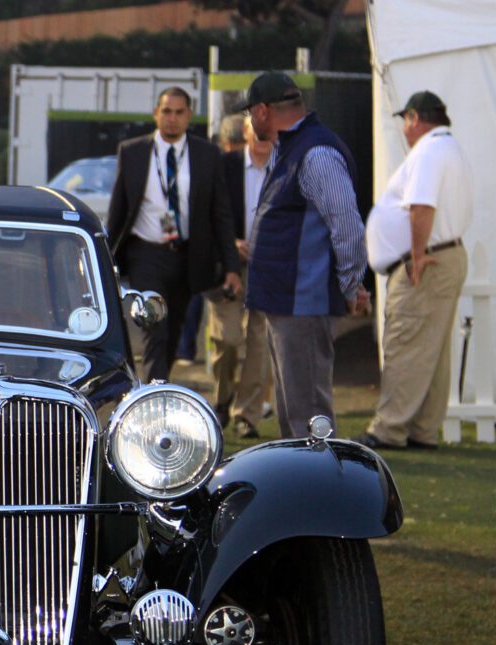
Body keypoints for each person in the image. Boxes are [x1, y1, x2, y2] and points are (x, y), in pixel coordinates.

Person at [241, 71, 369, 439]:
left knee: (309, 418)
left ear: (263, 111)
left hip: (304, 304)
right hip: (288, 303)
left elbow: (347, 225)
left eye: (251, 113)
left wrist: (350, 285)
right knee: (294, 414)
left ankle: (318, 492)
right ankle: (303, 487)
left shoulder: (315, 152)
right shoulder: (296, 149)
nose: (250, 121)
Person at [355, 91, 473, 451]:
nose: (404, 129)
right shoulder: (448, 148)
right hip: (445, 255)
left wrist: (417, 255)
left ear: (414, 118)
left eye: (405, 120)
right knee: (432, 350)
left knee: (406, 343)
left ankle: (388, 429)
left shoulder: (429, 151)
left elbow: (421, 206)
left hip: (427, 259)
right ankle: (422, 429)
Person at [107, 86, 242, 382]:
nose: (172, 118)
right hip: (146, 253)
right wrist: (106, 259)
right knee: (155, 326)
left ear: (189, 116)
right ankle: (154, 395)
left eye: (179, 112)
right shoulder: (133, 152)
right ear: (156, 114)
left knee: (175, 329)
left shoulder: (207, 154)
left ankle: (159, 384)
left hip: (188, 255)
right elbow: (118, 211)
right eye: (166, 111)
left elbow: (221, 215)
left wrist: (232, 266)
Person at [207, 111, 275, 439]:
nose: (263, 139)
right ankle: (222, 399)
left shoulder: (288, 169)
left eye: (268, 133)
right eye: (257, 132)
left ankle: (247, 416)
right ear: (246, 133)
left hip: (268, 268)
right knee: (228, 338)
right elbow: (206, 213)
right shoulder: (226, 166)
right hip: (227, 267)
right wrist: (230, 244)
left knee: (259, 342)